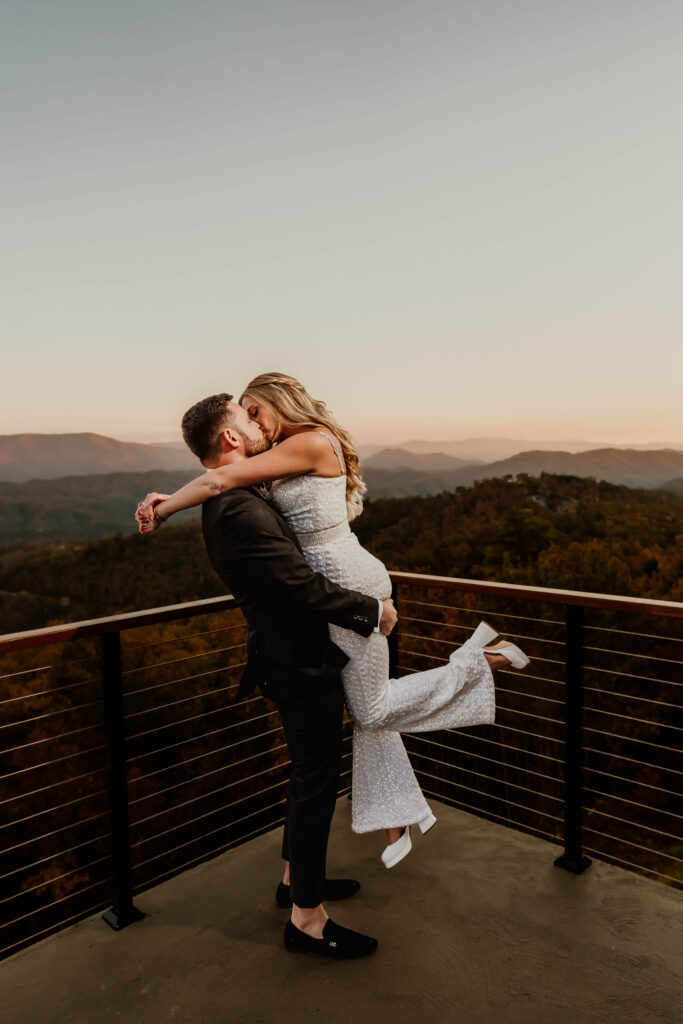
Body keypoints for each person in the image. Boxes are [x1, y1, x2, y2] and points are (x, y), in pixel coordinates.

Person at [136, 374, 530, 875]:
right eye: (246, 415)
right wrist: (167, 494)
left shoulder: (310, 441)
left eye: (255, 409)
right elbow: (220, 474)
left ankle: (479, 662)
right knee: (369, 710)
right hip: (336, 595)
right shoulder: (276, 454)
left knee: (373, 709)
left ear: (279, 403)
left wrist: (162, 509)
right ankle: (390, 820)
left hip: (349, 586)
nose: (253, 420)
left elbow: (218, 478)